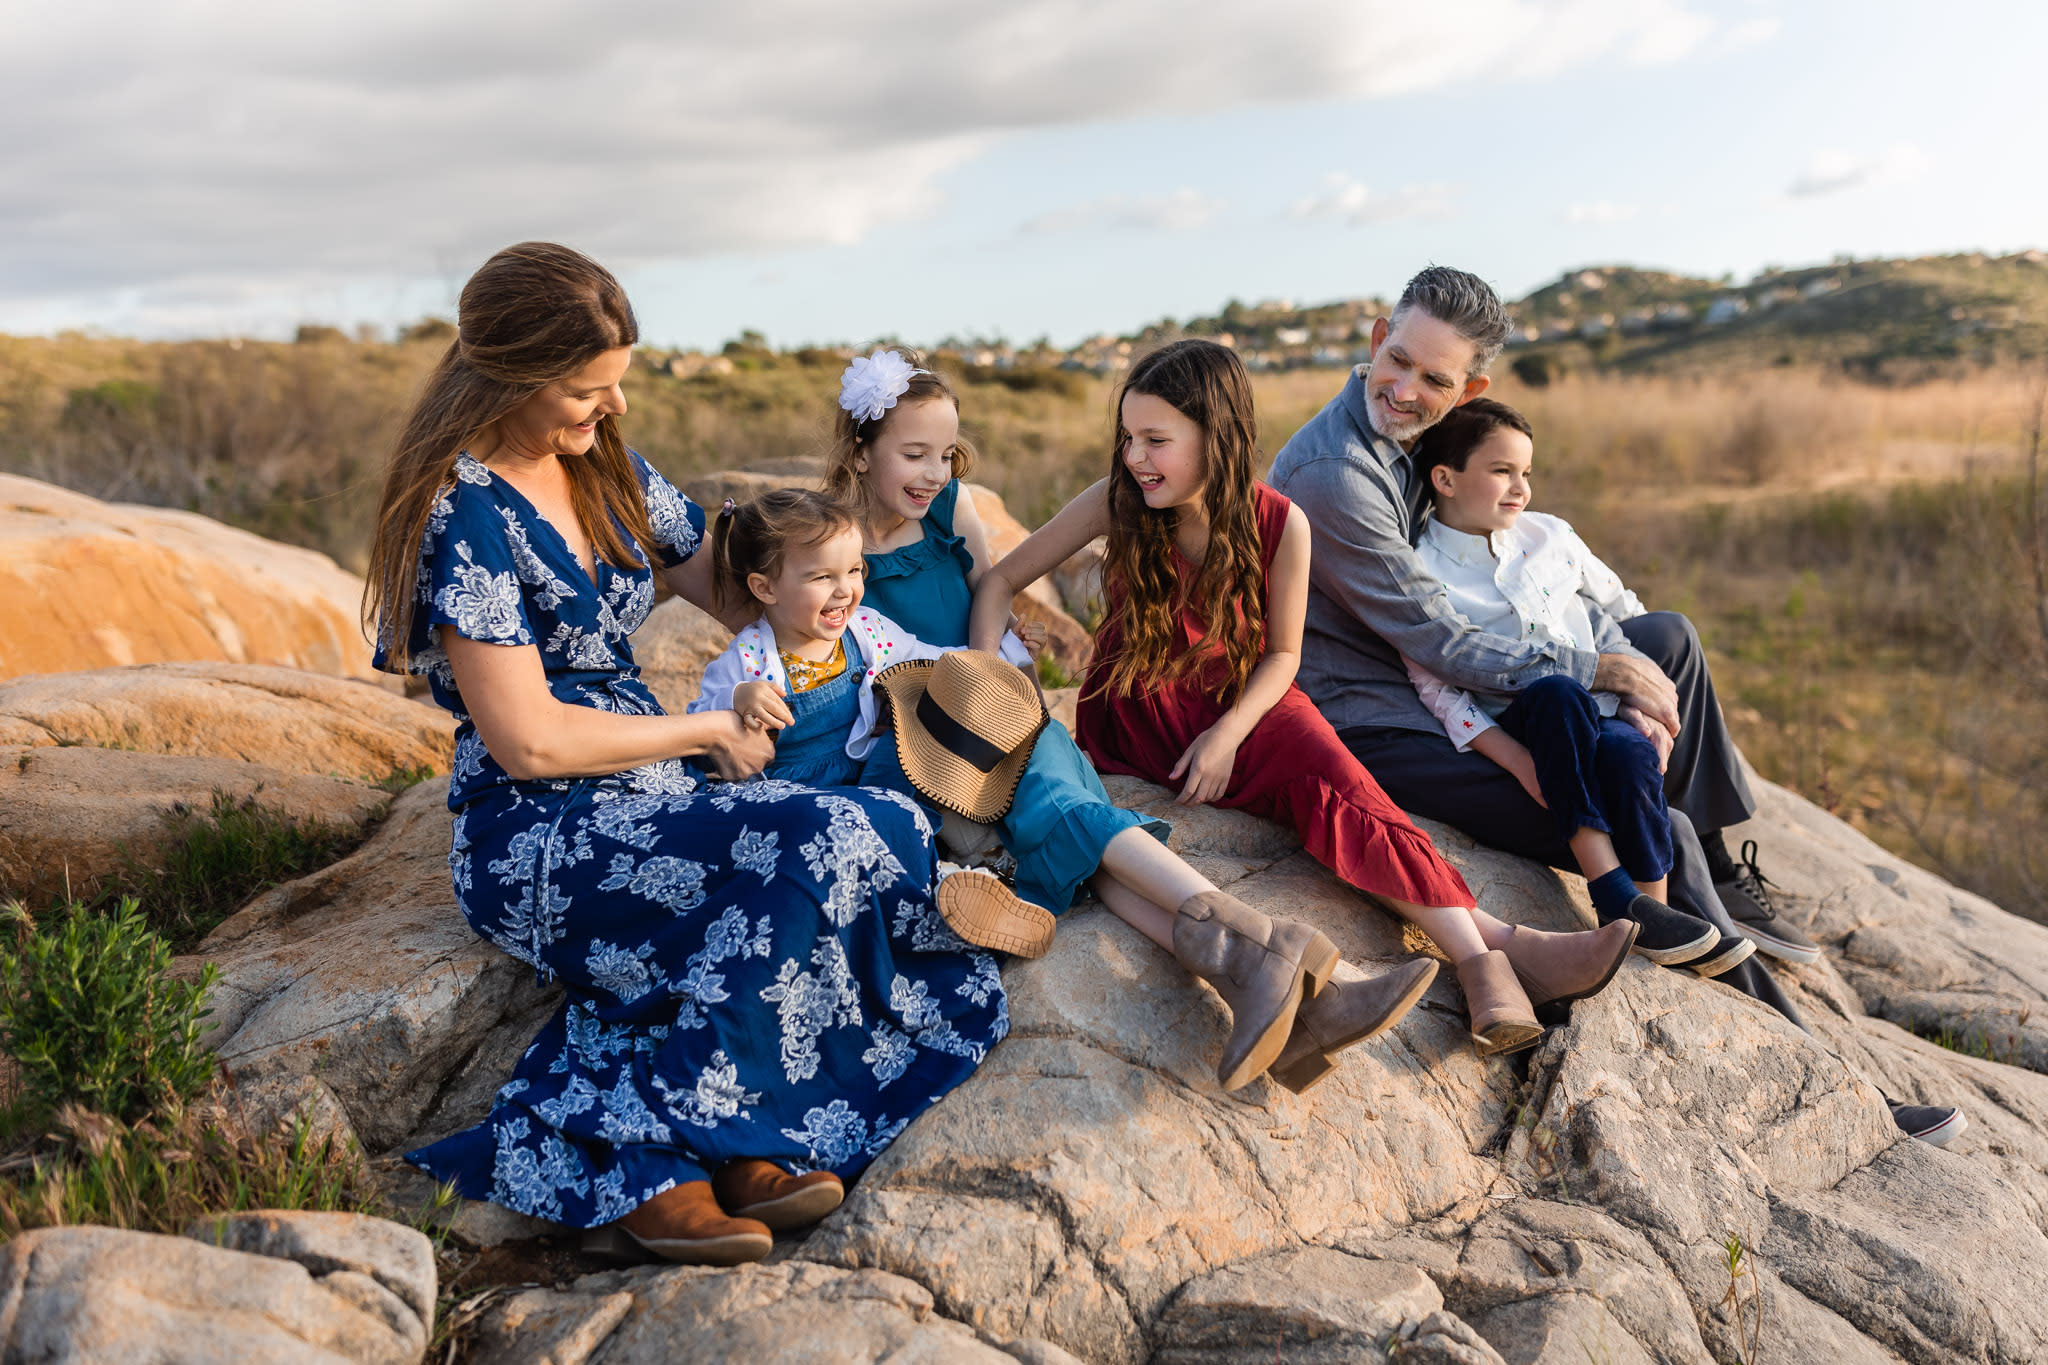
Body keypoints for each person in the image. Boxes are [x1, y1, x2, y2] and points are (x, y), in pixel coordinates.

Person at [363, 242, 1011, 1267]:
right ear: (514, 377)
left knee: (878, 822)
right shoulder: (466, 515)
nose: (611, 410)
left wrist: (843, 616)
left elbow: (732, 583)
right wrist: (707, 727)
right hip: (540, 826)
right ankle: (649, 1159)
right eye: (587, 391)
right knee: (811, 843)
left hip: (647, 786)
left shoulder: (603, 468)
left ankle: (741, 1133)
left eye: (617, 386)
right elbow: (528, 739)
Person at [1267, 264, 1962, 1146]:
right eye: (1397, 361)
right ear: (1376, 341)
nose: (1405, 389)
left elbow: (1502, 575)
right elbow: (1438, 639)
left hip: (1458, 689)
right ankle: (1842, 1085)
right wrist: (1597, 668)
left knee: (1664, 640)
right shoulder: (1337, 475)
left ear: (1468, 387)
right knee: (1652, 828)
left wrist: (1613, 655)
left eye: (1434, 379)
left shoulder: (1410, 442)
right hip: (1383, 721)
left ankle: (1715, 874)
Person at [969, 339, 1637, 1065]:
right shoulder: (1117, 501)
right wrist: (1006, 688)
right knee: (1319, 772)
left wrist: (1230, 732)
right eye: (1129, 437)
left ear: (1216, 438)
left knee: (1334, 775)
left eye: (1156, 440)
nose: (1135, 456)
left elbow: (1284, 655)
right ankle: (1507, 948)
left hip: (1237, 701)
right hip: (1140, 715)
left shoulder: (1281, 522)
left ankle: (1485, 956)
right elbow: (1000, 582)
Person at [825, 349, 1436, 1092]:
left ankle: (1268, 966)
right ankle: (1292, 986)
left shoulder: (952, 511)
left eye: (945, 455)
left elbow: (993, 587)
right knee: (1084, 856)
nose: (934, 471)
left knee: (1067, 815)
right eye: (913, 453)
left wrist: (985, 684)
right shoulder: (835, 544)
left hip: (993, 716)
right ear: (860, 453)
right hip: (930, 735)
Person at [1401, 397, 1754, 979]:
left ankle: (1654, 919)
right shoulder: (1423, 571)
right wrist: (1514, 760)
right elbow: (1438, 690)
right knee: (1557, 689)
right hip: (1529, 718)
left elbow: (1618, 616)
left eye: (1526, 474)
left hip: (1599, 707)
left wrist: (1642, 696)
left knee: (1630, 751)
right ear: (1445, 478)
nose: (1521, 489)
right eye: (1502, 472)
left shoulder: (1547, 538)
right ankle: (1610, 889)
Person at [687, 487, 1056, 956]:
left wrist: (1008, 649)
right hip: (801, 798)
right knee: (856, 832)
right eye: (822, 577)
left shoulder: (867, 632)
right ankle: (945, 886)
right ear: (765, 588)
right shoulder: (749, 657)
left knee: (909, 749)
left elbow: (939, 663)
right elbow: (700, 726)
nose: (845, 590)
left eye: (855, 570)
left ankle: (981, 862)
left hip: (873, 777)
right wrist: (739, 698)